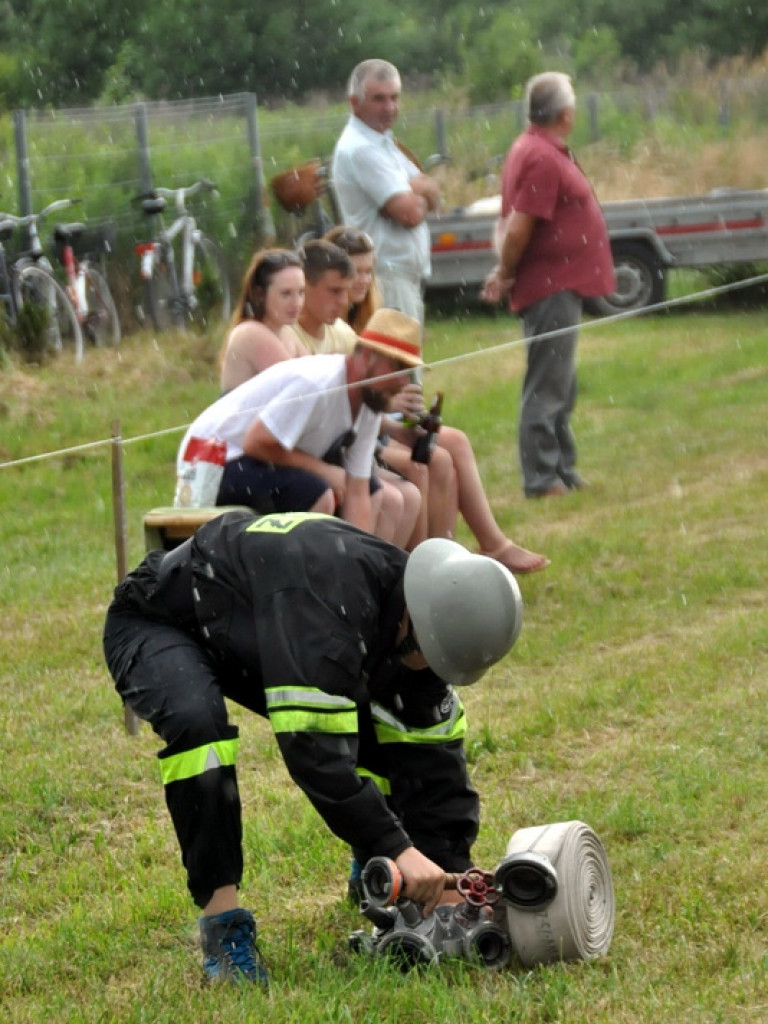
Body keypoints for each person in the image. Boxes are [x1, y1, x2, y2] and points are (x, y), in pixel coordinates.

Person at [103, 510, 523, 984]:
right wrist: (397, 846)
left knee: (399, 709)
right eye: (434, 657)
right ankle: (222, 926)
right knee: (200, 729)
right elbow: (315, 754)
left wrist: (451, 870)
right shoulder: (327, 609)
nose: (432, 670)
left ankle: (374, 871)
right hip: (160, 620)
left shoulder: (422, 606)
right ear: (417, 620)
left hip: (254, 623)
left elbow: (432, 754)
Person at [323, 225, 550, 573]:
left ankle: (475, 549)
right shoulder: (335, 330)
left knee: (452, 442)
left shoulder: (371, 318)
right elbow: (343, 404)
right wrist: (392, 413)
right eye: (356, 272)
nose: (363, 281)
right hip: (356, 433)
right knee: (434, 461)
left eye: (369, 271)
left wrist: (406, 411)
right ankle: (431, 566)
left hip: (377, 424)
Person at [177, 307, 422, 547]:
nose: (403, 382)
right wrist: (323, 470)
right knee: (318, 495)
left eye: (408, 372)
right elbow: (256, 442)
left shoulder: (370, 400)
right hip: (212, 460)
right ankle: (299, 582)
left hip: (255, 457)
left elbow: (357, 490)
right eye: (398, 368)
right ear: (368, 356)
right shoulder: (317, 383)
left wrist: (356, 560)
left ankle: (342, 581)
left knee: (372, 493)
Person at [481, 72, 615, 498]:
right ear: (565, 113)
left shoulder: (537, 148)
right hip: (549, 286)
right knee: (547, 385)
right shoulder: (540, 156)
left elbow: (511, 225)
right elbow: (518, 229)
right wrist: (504, 275)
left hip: (560, 284)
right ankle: (541, 478)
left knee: (561, 383)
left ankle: (562, 469)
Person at [332, 58, 440, 325]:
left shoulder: (382, 141)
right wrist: (420, 194)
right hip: (386, 278)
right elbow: (411, 213)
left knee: (405, 362)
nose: (390, 107)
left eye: (395, 97)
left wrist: (422, 192)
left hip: (399, 277)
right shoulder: (362, 148)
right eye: (379, 99)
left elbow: (433, 193)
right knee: (398, 364)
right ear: (354, 102)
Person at [218, 248, 309, 394]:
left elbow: (316, 376)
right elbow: (301, 383)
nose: (297, 303)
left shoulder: (286, 333)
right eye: (286, 294)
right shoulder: (250, 333)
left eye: (301, 292)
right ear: (259, 294)